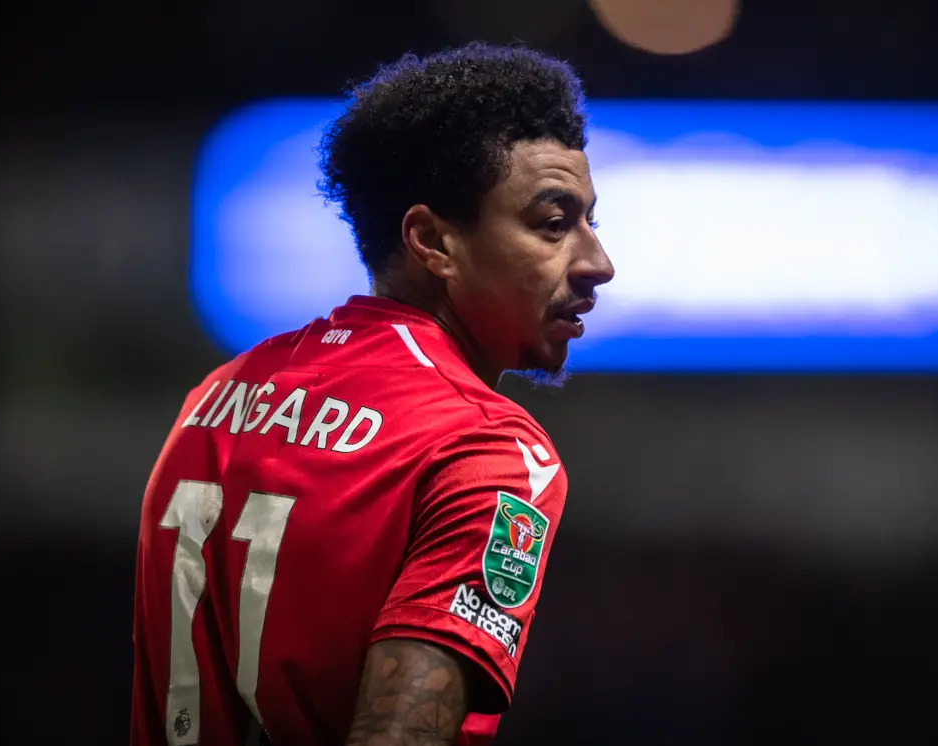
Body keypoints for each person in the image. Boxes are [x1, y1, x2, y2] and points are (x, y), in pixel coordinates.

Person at [130, 42, 615, 746]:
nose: (598, 262)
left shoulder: (216, 398)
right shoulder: (487, 448)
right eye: (553, 224)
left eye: (593, 223)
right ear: (432, 242)